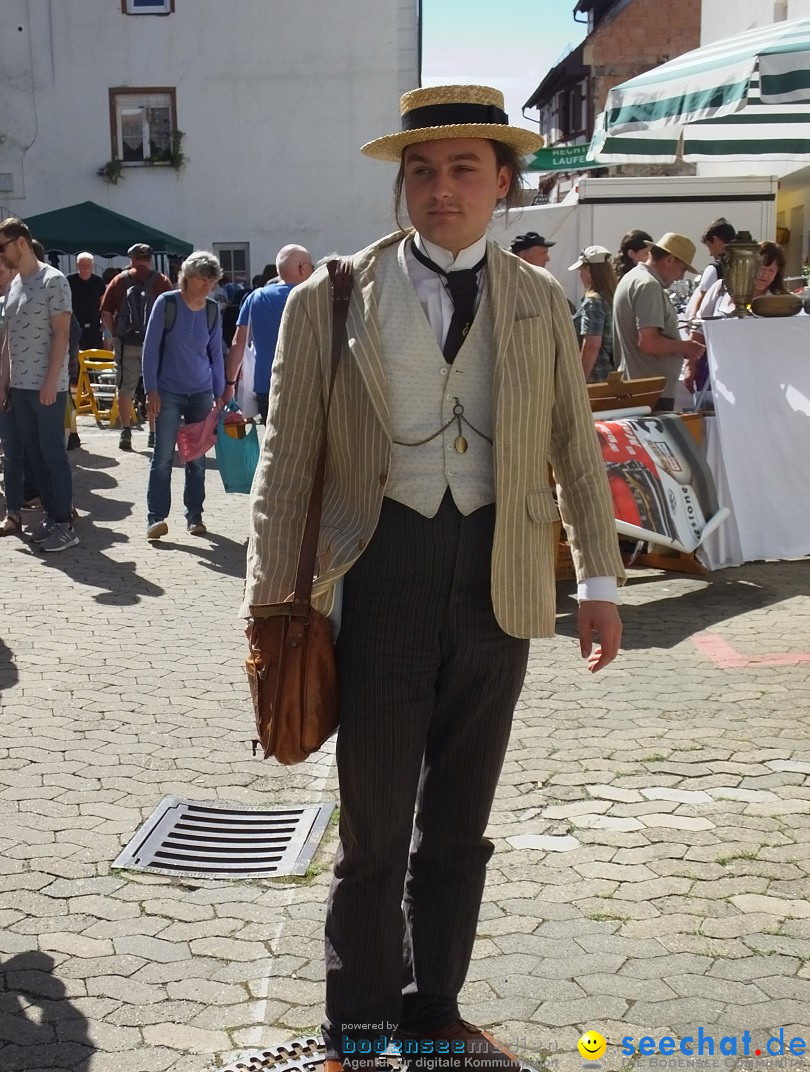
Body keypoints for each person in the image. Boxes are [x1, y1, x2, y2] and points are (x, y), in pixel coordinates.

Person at [242, 83, 624, 1072]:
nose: (441, 188)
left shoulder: (542, 301)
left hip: (500, 577)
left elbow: (577, 451)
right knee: (373, 829)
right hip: (381, 573)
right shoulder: (328, 298)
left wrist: (601, 583)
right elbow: (285, 463)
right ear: (401, 183)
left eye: (464, 168)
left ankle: (433, 1011)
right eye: (423, 168)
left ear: (504, 182)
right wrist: (270, 604)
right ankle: (358, 1031)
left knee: (459, 828)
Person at [0, 218, 77, 551]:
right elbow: (8, 340)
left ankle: (65, 524)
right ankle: (51, 517)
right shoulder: (15, 284)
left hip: (47, 387)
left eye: (1, 247)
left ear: (20, 243)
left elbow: (62, 333)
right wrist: (3, 384)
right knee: (33, 455)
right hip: (19, 388)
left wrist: (51, 381)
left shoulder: (53, 280)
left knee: (52, 455)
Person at [141, 250, 225, 540]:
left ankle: (195, 515)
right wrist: (150, 389)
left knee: (197, 460)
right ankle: (156, 518)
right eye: (203, 280)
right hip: (167, 391)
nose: (207, 286)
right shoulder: (167, 304)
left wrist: (221, 391)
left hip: (201, 392)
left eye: (212, 281)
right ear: (187, 278)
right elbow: (150, 349)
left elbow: (216, 354)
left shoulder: (213, 310)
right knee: (163, 456)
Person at [613, 232, 705, 412]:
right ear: (669, 260)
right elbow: (648, 343)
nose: (680, 277)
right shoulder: (649, 285)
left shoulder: (632, 278)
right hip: (650, 393)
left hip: (639, 389)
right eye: (682, 269)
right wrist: (686, 347)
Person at [224, 244, 314, 422]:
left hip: (267, 384)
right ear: (302, 267)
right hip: (307, 385)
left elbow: (238, 343)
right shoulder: (313, 295)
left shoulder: (256, 297)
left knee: (273, 443)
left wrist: (230, 384)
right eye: (312, 266)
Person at [688, 241, 787, 396]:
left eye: (771, 270)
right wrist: (691, 365)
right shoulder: (721, 289)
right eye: (761, 268)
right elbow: (700, 328)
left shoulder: (780, 302)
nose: (765, 275)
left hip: (758, 377)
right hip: (714, 372)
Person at [100, 243, 172, 451]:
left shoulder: (119, 280)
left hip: (127, 343)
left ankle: (126, 432)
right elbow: (171, 313)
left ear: (131, 258)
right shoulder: (161, 281)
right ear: (149, 259)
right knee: (154, 388)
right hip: (154, 343)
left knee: (125, 387)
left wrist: (116, 334)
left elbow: (105, 313)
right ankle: (152, 433)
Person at [569, 245, 616, 383]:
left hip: (596, 377)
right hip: (610, 374)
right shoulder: (610, 298)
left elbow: (592, 346)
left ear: (588, 270)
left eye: (581, 269)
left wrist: (579, 382)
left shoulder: (593, 302)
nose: (580, 275)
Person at [685, 217, 736, 320]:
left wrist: (692, 319)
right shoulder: (744, 266)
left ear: (716, 241)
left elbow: (702, 296)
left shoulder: (715, 268)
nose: (709, 253)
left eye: (709, 246)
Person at [67, 252, 105, 350]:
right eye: (83, 265)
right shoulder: (69, 280)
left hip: (94, 326)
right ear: (77, 265)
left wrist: (104, 322)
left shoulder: (98, 281)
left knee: (95, 356)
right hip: (75, 325)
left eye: (89, 265)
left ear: (92, 266)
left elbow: (103, 302)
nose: (86, 268)